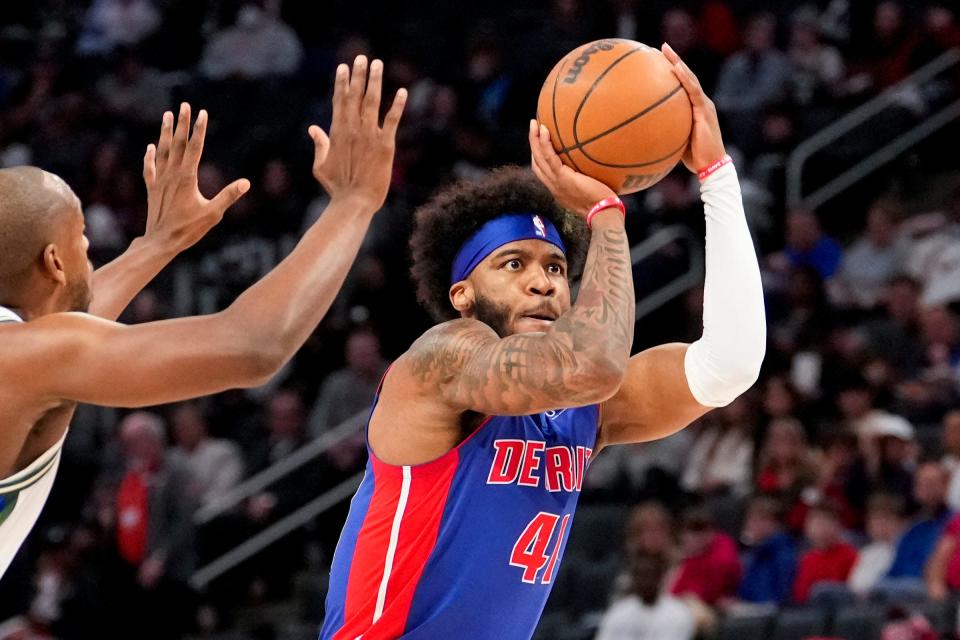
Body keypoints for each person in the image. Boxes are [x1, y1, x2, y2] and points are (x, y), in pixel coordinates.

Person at [320, 45, 765, 639]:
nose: (542, 281)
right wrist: (605, 214)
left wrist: (717, 177)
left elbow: (730, 365)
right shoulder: (439, 360)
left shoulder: (584, 408)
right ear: (461, 294)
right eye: (512, 264)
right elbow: (591, 362)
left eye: (556, 268)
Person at [0, 56, 407, 578]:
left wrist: (156, 246)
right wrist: (353, 203)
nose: (90, 248)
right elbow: (252, 345)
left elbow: (61, 325)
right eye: (80, 238)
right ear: (54, 263)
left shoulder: (25, 352)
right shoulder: (24, 359)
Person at [595, 552, 697, 640]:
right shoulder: (618, 612)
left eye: (650, 575)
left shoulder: (679, 613)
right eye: (641, 575)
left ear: (660, 577)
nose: (646, 581)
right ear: (634, 578)